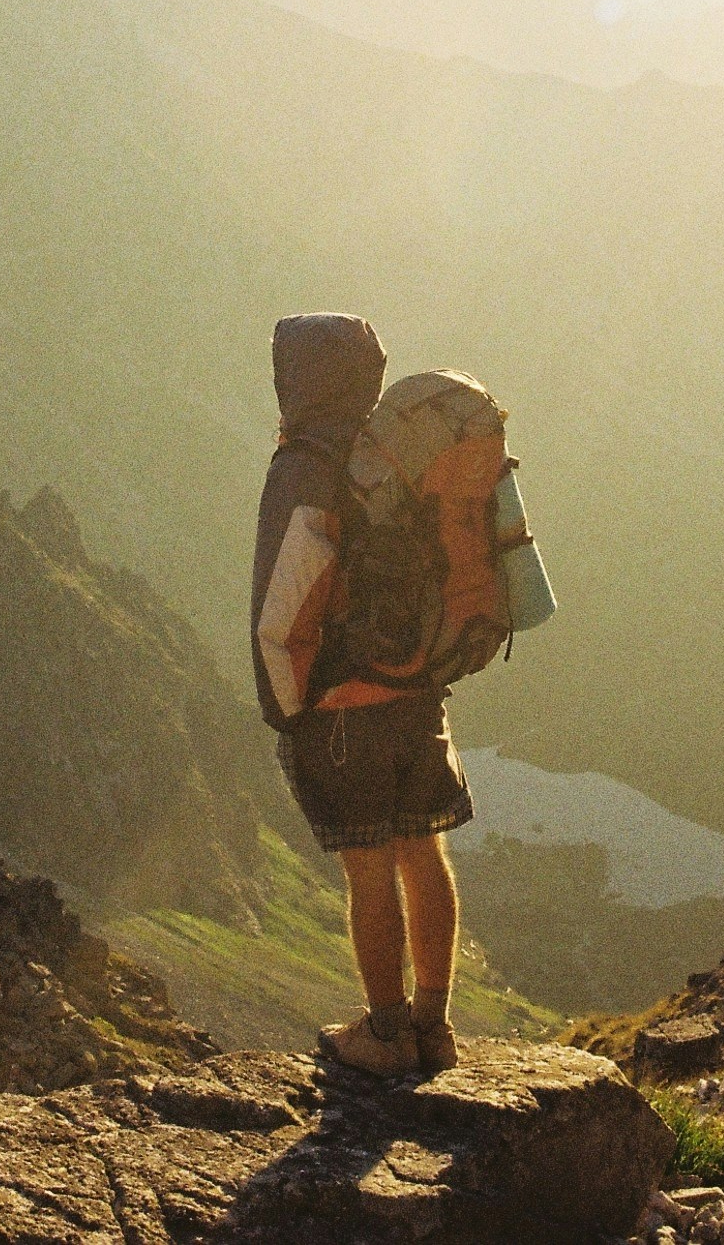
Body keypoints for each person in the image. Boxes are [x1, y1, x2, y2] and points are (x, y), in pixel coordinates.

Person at [251, 312, 474, 1076]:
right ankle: (434, 1026)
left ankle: (382, 1036)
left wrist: (286, 707)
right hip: (418, 691)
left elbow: (285, 598)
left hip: (343, 706)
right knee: (423, 847)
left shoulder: (305, 466)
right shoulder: (398, 453)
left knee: (369, 867)